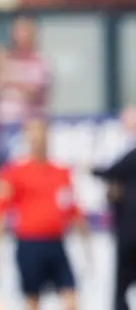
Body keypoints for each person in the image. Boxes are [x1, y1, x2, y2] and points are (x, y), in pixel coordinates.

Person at [0, 118, 92, 310]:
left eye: (41, 133)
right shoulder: (14, 172)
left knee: (71, 299)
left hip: (56, 243)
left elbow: (74, 211)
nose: (37, 138)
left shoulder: (61, 172)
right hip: (29, 244)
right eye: (32, 134)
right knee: (33, 301)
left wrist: (87, 248)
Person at [92, 105, 136, 310]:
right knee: (121, 289)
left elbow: (111, 171)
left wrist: (92, 169)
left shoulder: (130, 153)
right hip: (125, 229)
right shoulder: (121, 145)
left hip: (130, 232)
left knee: (121, 288)